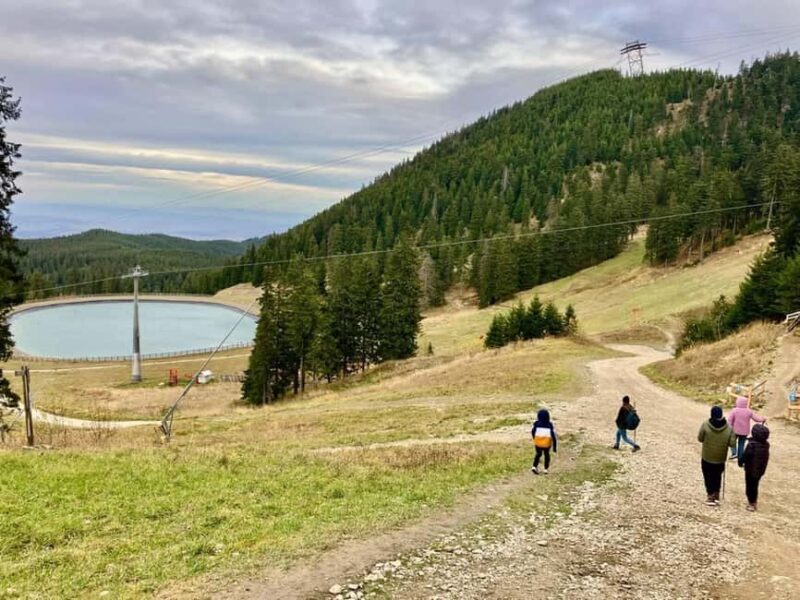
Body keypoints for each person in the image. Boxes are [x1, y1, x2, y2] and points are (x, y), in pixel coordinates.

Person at [698, 406, 736, 506]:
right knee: (717, 475)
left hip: (707, 456)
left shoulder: (705, 424)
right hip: (720, 458)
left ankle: (710, 495)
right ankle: (716, 494)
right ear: (721, 415)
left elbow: (700, 438)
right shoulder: (729, 428)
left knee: (708, 476)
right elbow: (732, 444)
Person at [728, 396, 766, 463]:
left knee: (732, 442)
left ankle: (734, 453)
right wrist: (763, 419)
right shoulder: (749, 411)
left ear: (738, 402)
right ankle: (740, 458)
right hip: (744, 432)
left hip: (735, 430)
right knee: (741, 444)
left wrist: (729, 427)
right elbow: (756, 419)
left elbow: (730, 420)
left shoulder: (734, 410)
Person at [742, 423, 770, 512]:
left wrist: (740, 461)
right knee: (755, 484)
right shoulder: (766, 445)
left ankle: (752, 502)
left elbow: (745, 456)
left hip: (750, 469)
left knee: (750, 486)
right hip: (760, 470)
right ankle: (753, 501)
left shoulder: (751, 445)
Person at [531, 408, 558, 474]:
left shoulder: (536, 423)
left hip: (538, 442)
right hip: (546, 443)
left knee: (538, 454)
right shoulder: (549, 424)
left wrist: (535, 438)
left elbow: (533, 431)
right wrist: (554, 447)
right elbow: (553, 435)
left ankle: (534, 466)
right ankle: (546, 469)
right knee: (546, 455)